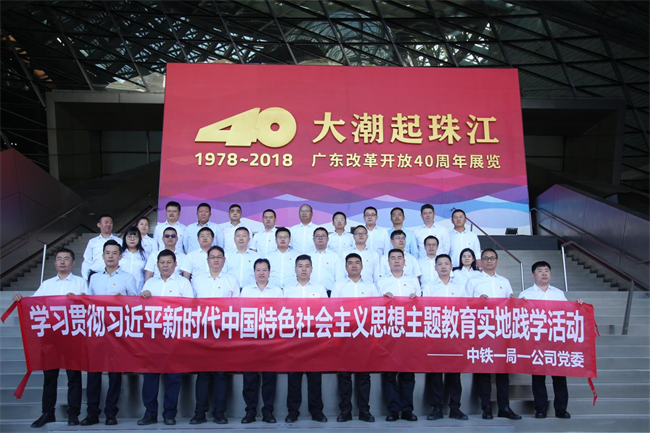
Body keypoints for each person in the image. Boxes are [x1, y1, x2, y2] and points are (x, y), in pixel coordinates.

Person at [12, 248, 86, 428]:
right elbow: (33, 303)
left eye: (66, 259)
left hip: (72, 336)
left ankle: (73, 414)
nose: (62, 262)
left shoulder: (81, 282)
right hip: (50, 336)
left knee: (74, 377)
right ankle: (47, 413)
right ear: (55, 263)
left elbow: (89, 305)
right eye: (59, 259)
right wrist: (21, 299)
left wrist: (80, 299)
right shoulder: (47, 284)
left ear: (73, 263)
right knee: (50, 377)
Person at [81, 240, 137, 426]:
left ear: (120, 256)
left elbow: (136, 305)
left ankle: (111, 413)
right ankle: (92, 413)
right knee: (93, 374)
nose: (111, 256)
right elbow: (88, 304)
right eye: (107, 253)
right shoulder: (94, 278)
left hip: (118, 334)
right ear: (103, 256)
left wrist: (124, 301)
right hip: (97, 332)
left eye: (114, 253)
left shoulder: (128, 278)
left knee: (114, 375)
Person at [519, 261, 584, 420]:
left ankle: (561, 409)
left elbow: (568, 314)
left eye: (547, 271)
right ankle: (540, 408)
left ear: (551, 274)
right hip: (536, 341)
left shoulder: (559, 294)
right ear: (533, 275)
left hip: (556, 341)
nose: (544, 273)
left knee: (559, 376)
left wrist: (578, 306)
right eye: (540, 271)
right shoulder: (525, 295)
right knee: (538, 377)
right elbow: (519, 318)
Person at [138, 250, 194, 426]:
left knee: (173, 377)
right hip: (152, 337)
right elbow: (140, 309)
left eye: (169, 262)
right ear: (157, 264)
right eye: (162, 262)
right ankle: (150, 413)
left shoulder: (183, 283)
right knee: (150, 377)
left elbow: (190, 309)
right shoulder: (150, 283)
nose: (165, 266)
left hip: (174, 337)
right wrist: (144, 297)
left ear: (175, 264)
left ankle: (170, 414)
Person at [465, 248, 521, 421]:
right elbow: (465, 305)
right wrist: (477, 302)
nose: (489, 261)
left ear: (496, 261)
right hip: (482, 331)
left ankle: (504, 407)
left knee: (503, 371)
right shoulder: (473, 281)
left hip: (501, 331)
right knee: (484, 371)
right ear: (480, 261)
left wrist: (513, 301)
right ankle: (486, 407)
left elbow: (511, 302)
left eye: (492, 258)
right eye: (486, 258)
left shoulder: (504, 281)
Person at [189, 246, 239, 425]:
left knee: (220, 374)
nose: (216, 260)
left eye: (219, 257)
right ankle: (199, 412)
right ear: (207, 260)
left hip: (223, 334)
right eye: (212, 257)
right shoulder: (197, 280)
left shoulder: (231, 280)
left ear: (224, 260)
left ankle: (219, 412)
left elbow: (237, 308)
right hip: (202, 333)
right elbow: (190, 306)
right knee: (203, 375)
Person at [331, 253, 379, 423]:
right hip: (345, 334)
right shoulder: (339, 286)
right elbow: (333, 309)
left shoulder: (371, 286)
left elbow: (376, 309)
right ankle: (345, 410)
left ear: (362, 266)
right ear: (346, 267)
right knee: (344, 375)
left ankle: (364, 411)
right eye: (350, 263)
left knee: (363, 375)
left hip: (364, 335)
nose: (353, 265)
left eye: (357, 263)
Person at [421, 254, 468, 421]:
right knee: (436, 373)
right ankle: (436, 408)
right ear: (435, 268)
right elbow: (425, 310)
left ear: (451, 266)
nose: (443, 266)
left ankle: (455, 408)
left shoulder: (460, 287)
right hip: (436, 334)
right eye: (439, 264)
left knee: (454, 373)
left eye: (446, 263)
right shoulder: (429, 287)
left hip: (454, 334)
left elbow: (465, 309)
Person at [283, 255, 328, 423]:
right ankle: (292, 411)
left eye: (307, 266)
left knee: (315, 378)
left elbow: (326, 312)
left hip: (314, 339)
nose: (303, 269)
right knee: (293, 378)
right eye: (300, 266)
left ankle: (316, 411)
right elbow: (282, 313)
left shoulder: (320, 289)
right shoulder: (287, 290)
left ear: (312, 269)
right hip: (293, 339)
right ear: (295, 269)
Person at [377, 249, 419, 422]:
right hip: (389, 331)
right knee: (390, 373)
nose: (396, 261)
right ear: (388, 262)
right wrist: (383, 299)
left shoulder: (413, 280)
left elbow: (421, 304)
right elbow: (374, 307)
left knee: (408, 373)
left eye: (399, 258)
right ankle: (393, 410)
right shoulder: (381, 281)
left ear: (404, 261)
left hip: (409, 330)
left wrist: (416, 299)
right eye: (392, 258)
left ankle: (407, 409)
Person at [239, 259, 283, 424]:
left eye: (264, 270)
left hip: (270, 340)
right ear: (254, 272)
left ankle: (268, 411)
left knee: (269, 377)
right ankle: (250, 411)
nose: (261, 273)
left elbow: (281, 314)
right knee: (249, 377)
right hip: (250, 339)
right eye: (258, 270)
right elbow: (240, 313)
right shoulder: (246, 291)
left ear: (269, 272)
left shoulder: (277, 291)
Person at [81, 214, 122, 280]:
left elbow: (122, 259)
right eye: (106, 222)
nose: (108, 224)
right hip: (95, 274)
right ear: (99, 225)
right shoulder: (92, 241)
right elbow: (87, 260)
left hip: (114, 275)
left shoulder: (119, 241)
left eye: (110, 223)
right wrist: (86, 277)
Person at [309, 227, 344, 293]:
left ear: (328, 239)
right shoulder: (308, 257)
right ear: (313, 239)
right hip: (310, 293)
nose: (320, 238)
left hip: (329, 293)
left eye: (323, 236)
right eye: (317, 236)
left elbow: (340, 278)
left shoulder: (335, 257)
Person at [120, 226, 148, 292]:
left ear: (139, 238)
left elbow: (147, 274)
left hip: (138, 289)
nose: (132, 239)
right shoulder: (120, 253)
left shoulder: (145, 255)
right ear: (125, 238)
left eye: (135, 237)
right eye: (129, 237)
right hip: (121, 289)